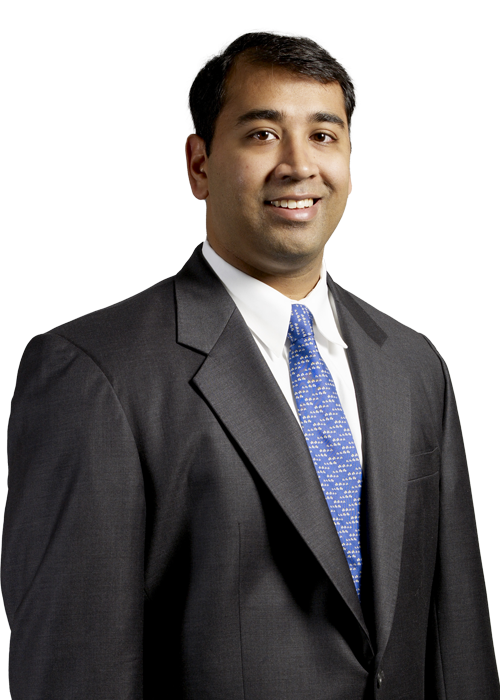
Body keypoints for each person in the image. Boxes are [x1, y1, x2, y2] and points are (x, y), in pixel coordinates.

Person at [2, 30, 499, 700]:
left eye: (323, 135)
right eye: (263, 134)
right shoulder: (95, 374)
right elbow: (74, 668)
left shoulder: (412, 364)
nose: (299, 165)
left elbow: (456, 639)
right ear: (200, 164)